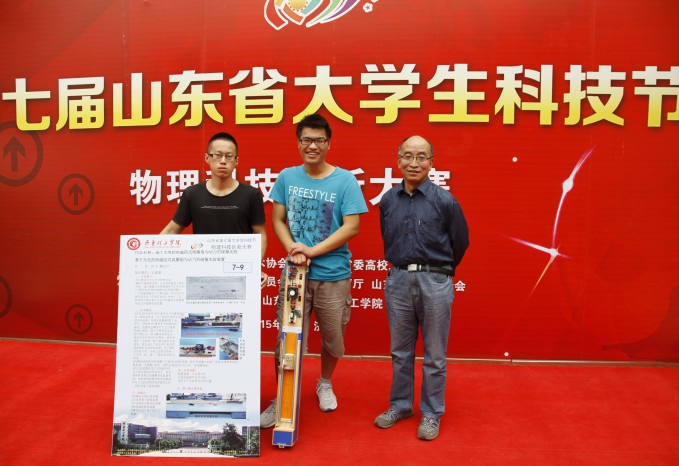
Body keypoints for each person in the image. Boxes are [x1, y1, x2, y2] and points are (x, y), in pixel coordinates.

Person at [260, 114, 368, 428]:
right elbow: (277, 220)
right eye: (306, 139)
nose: (312, 146)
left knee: (333, 340)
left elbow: (352, 227)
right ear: (298, 143)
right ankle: (281, 396)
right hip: (295, 274)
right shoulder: (287, 177)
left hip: (333, 275)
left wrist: (311, 251)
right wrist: (293, 249)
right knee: (287, 340)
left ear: (328, 144)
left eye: (319, 140)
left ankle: (325, 382)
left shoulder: (345, 180)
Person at [374, 135, 469, 441]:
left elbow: (460, 242)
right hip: (399, 279)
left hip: (435, 280)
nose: (413, 163)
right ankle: (401, 405)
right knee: (400, 352)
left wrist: (439, 272)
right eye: (408, 156)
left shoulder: (445, 201)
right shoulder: (388, 200)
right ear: (398, 159)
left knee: (435, 355)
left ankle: (431, 412)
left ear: (431, 162)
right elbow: (387, 236)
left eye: (421, 157)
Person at [160, 132, 268, 286]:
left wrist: (254, 267)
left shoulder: (251, 194)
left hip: (237, 276)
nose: (223, 161)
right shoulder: (192, 194)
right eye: (217, 155)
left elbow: (260, 234)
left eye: (229, 156)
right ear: (207, 158)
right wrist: (142, 262)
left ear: (236, 160)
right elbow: (171, 231)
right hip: (201, 276)